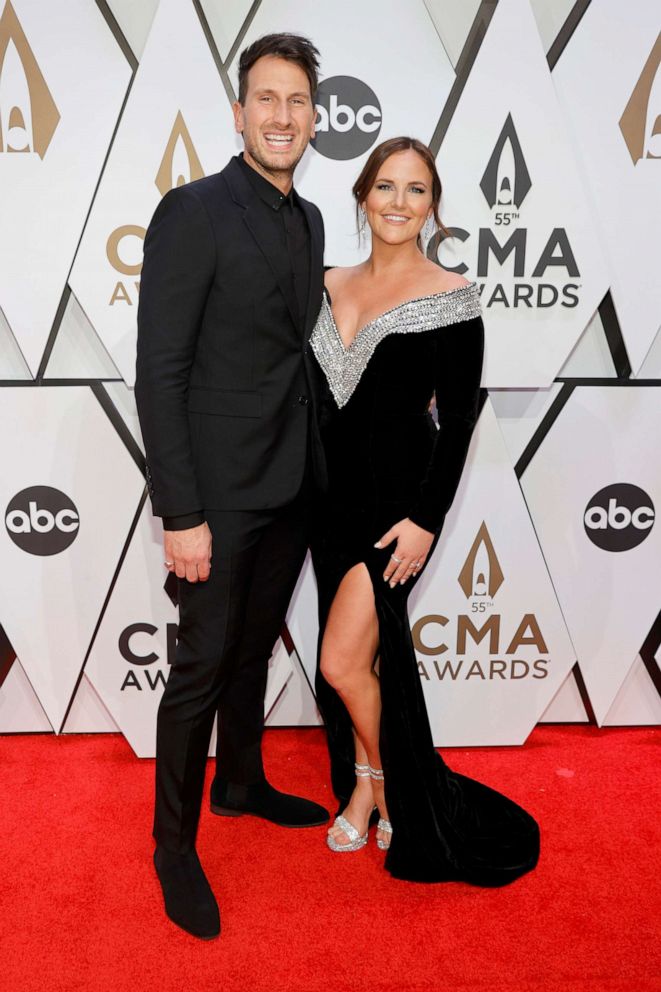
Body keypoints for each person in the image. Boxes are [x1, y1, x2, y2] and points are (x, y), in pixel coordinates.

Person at [135, 34, 330, 940]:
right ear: (240, 110)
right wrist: (183, 514)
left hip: (291, 480)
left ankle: (240, 782)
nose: (281, 115)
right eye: (266, 99)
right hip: (215, 495)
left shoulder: (312, 217)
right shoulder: (195, 210)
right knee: (201, 669)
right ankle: (173, 844)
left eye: (297, 100)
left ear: (314, 115)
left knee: (252, 651)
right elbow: (160, 373)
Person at [309, 136, 540, 883]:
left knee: (341, 663)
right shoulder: (323, 282)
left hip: (394, 512)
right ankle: (372, 788)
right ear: (361, 197)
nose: (398, 203)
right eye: (385, 187)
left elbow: (459, 422)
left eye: (415, 190)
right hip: (322, 505)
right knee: (357, 665)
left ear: (432, 205)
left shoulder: (452, 297)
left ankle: (378, 791)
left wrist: (427, 520)